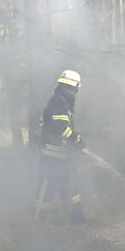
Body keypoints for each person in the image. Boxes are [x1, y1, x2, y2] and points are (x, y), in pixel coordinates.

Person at [34, 70, 86, 223]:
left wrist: (75, 143)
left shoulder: (63, 101)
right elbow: (61, 127)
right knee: (46, 187)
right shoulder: (59, 101)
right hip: (52, 155)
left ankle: (76, 218)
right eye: (76, 88)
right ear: (73, 87)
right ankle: (38, 219)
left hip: (62, 154)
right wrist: (76, 139)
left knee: (70, 185)